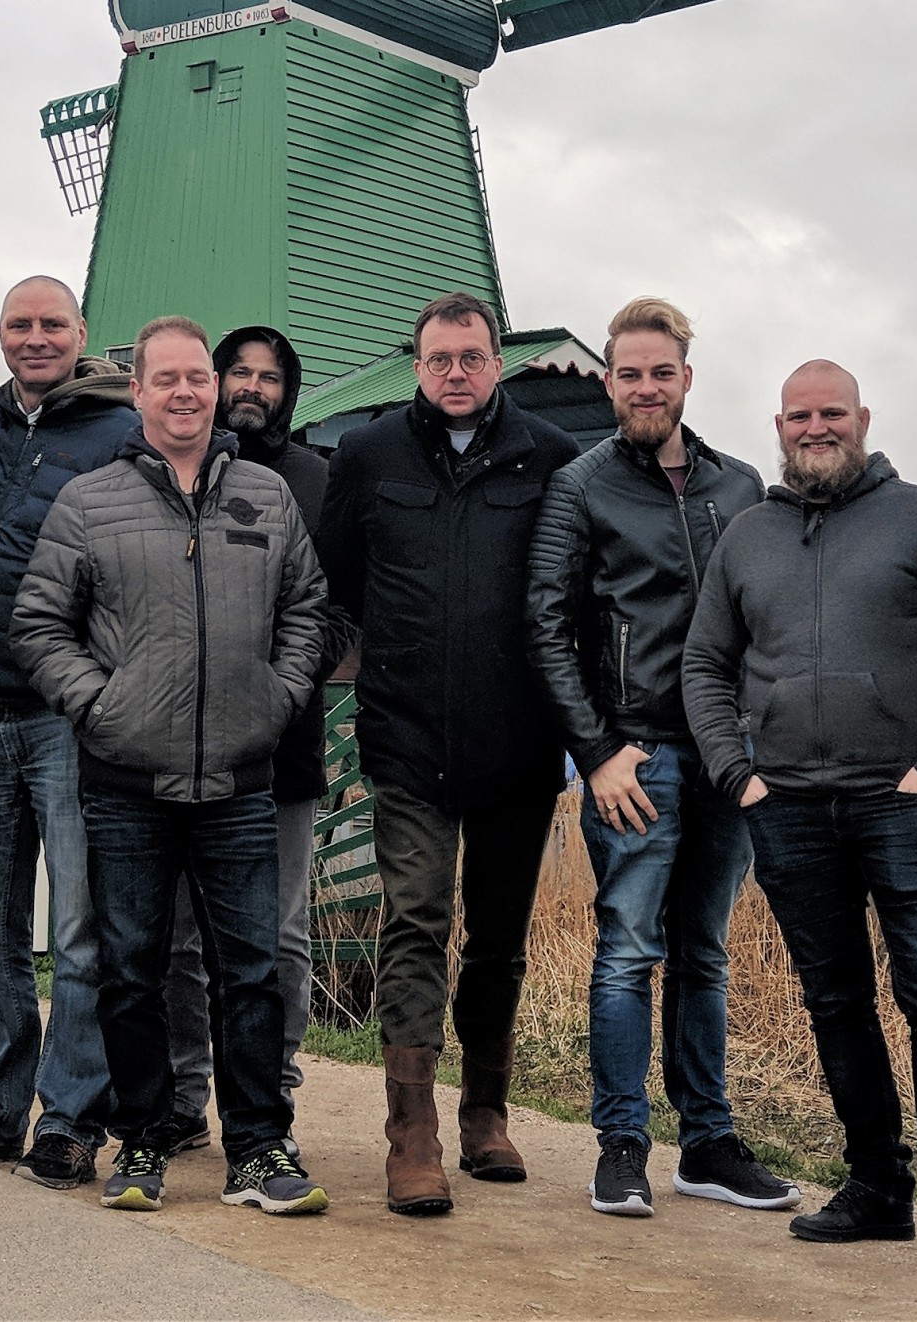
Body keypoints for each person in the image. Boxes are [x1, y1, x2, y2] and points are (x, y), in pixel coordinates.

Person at [680, 360, 917, 1281]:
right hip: (786, 808)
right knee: (835, 1001)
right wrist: (739, 775)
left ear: (862, 419)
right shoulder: (748, 536)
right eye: (799, 416)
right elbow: (705, 663)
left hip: (907, 805)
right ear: (778, 427)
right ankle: (877, 1186)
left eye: (832, 413)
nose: (815, 428)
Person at [11, 316, 332, 1216]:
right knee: (131, 969)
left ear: (214, 390)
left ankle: (259, 1147)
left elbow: (307, 609)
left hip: (239, 778)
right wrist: (101, 706)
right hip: (127, 781)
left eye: (198, 378)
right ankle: (145, 1138)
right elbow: (38, 624)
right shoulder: (89, 501)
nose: (185, 392)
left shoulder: (266, 495)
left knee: (251, 970)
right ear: (139, 391)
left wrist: (275, 698)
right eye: (167, 379)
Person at [523, 297, 794, 1219]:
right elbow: (547, 628)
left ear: (687, 378)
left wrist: (762, 742)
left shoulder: (740, 485)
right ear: (609, 382)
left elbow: (768, 616)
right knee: (628, 950)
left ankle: (707, 1144)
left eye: (661, 372)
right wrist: (598, 752)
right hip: (636, 756)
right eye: (630, 373)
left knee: (704, 951)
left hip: (729, 754)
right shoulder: (582, 486)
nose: (647, 387)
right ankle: (622, 1144)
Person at [318, 291, 578, 1217]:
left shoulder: (551, 456)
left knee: (499, 938)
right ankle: (413, 1133)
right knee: (415, 922)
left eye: (472, 357)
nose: (456, 373)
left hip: (518, 738)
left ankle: (486, 1113)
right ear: (417, 365)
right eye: (440, 359)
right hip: (407, 734)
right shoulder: (367, 454)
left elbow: (569, 588)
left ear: (497, 362)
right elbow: (341, 579)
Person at [0, 276, 138, 1193]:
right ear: (0, 334)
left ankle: (71, 1119)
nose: (35, 337)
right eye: (19, 324)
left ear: (83, 332)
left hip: (67, 718)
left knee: (82, 935)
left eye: (52, 323)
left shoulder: (122, 433)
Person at [154, 325, 335, 1158]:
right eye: (239, 372)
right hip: (182, 741)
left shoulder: (318, 480)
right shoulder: (176, 474)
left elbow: (335, 609)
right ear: (214, 380)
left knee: (281, 933)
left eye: (270, 376)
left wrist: (284, 684)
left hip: (282, 740)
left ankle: (273, 1089)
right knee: (183, 936)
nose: (253, 387)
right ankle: (184, 1093)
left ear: (288, 391)